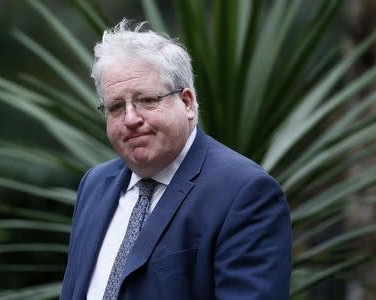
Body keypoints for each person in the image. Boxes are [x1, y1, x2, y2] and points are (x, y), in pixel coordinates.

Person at [60, 19, 291, 300]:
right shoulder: (95, 185)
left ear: (187, 103)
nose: (131, 119)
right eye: (117, 107)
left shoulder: (244, 192)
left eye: (146, 100)